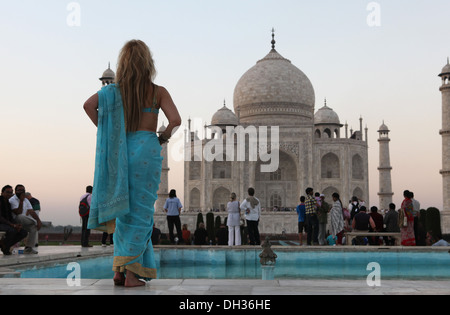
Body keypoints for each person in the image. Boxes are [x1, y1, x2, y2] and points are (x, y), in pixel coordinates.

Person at [84, 39, 182, 287]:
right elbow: (175, 120)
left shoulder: (112, 92)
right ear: (148, 63)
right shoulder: (157, 91)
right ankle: (131, 275)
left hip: (121, 150)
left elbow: (88, 105)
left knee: (122, 211)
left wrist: (108, 131)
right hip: (146, 151)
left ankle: (118, 270)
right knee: (140, 213)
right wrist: (164, 136)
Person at [9, 184, 41, 254]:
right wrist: (21, 201)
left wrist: (38, 221)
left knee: (33, 227)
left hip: (23, 221)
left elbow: (31, 211)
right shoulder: (12, 200)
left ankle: (28, 248)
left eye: (23, 190)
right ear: (15, 191)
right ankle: (34, 222)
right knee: (20, 216)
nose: (21, 192)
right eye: (19, 190)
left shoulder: (26, 200)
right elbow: (18, 212)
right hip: (15, 221)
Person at [0, 185, 28, 255]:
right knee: (12, 230)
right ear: (2, 193)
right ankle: (5, 247)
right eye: (7, 192)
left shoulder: (8, 203)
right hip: (1, 223)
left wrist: (16, 225)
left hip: (5, 224)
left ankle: (4, 245)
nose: (10, 194)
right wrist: (12, 225)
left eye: (11, 192)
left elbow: (10, 217)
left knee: (23, 232)